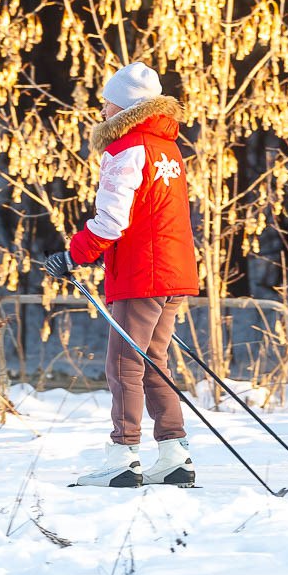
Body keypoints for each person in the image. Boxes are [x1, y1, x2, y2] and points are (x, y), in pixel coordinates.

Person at [45, 61, 200, 487]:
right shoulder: (168, 148)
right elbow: (150, 216)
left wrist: (75, 254)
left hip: (143, 275)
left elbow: (112, 220)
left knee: (123, 365)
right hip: (171, 270)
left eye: (108, 102)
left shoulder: (126, 147)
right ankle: (174, 455)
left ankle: (123, 456)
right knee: (154, 363)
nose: (102, 110)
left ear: (126, 107)